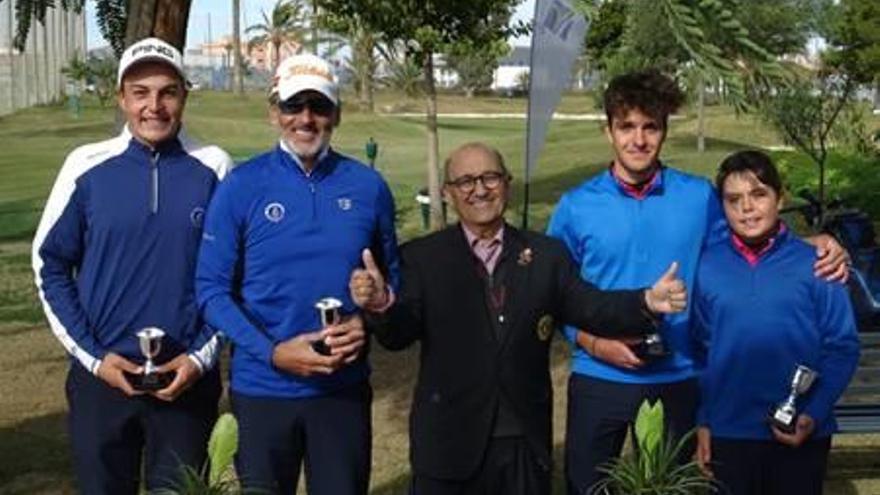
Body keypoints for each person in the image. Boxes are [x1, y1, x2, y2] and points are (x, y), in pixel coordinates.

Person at [545, 69, 850, 495]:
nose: (639, 140)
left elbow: (748, 241)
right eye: (627, 127)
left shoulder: (698, 197)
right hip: (601, 377)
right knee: (587, 488)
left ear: (665, 131)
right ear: (608, 130)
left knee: (679, 489)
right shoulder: (576, 206)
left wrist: (809, 245)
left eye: (650, 127)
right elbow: (553, 292)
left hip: (678, 378)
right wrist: (593, 343)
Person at [348, 142, 689, 495]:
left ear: (507, 183)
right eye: (465, 181)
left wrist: (645, 300)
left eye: (490, 177)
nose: (479, 189)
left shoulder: (546, 256)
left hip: (523, 445)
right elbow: (398, 334)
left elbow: (591, 307)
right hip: (449, 446)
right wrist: (381, 303)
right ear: (448, 193)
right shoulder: (422, 258)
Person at [31, 37, 233, 494]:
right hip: (102, 380)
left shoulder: (214, 166)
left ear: (184, 94)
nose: (154, 106)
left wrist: (200, 359)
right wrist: (93, 358)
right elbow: (50, 265)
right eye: (140, 92)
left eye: (167, 91)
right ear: (121, 97)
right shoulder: (85, 165)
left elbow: (231, 276)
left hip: (186, 379)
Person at [195, 53, 399, 495]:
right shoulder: (241, 186)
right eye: (293, 106)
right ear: (274, 112)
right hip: (263, 390)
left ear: (337, 115)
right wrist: (272, 353)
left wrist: (368, 314)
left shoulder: (368, 187)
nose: (306, 119)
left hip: (340, 392)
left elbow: (391, 282)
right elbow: (210, 291)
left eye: (319, 106)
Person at [693, 150, 859, 495]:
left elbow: (842, 346)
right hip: (730, 432)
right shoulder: (707, 267)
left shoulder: (819, 265)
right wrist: (704, 421)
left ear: (779, 199)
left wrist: (813, 412)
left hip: (802, 429)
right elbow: (700, 350)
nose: (746, 208)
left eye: (758, 195)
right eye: (733, 199)